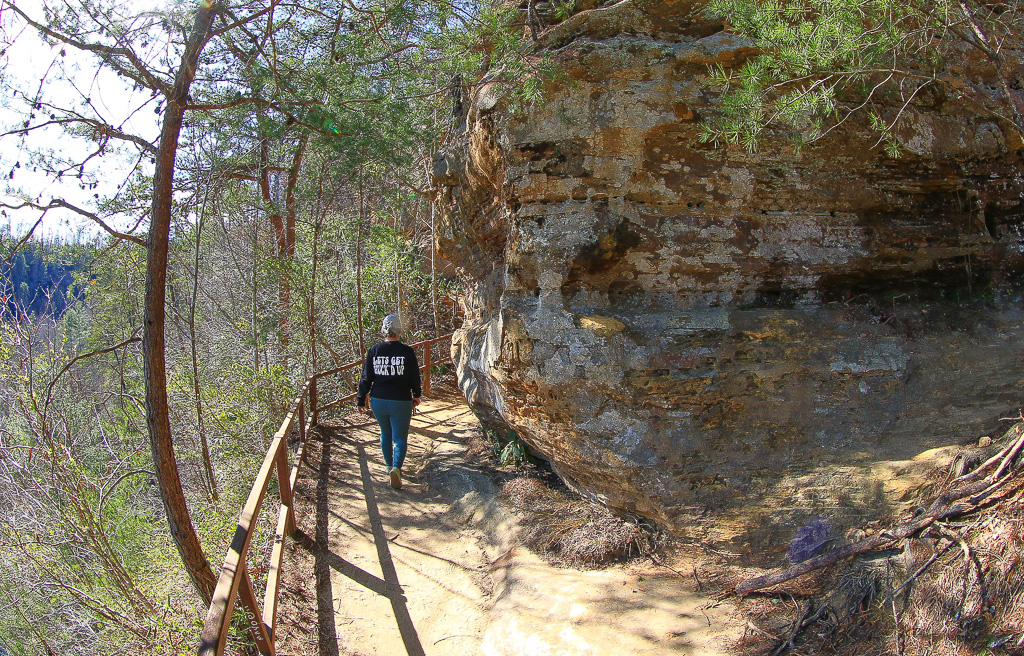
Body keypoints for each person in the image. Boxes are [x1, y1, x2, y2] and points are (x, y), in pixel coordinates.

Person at [357, 314, 422, 490]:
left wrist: (361, 399)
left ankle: (388, 466)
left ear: (384, 330)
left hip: (378, 400)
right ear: (399, 330)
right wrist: (416, 394)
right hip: (400, 400)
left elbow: (366, 377)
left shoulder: (374, 350)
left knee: (385, 433)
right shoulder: (407, 351)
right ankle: (396, 468)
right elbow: (414, 376)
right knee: (400, 437)